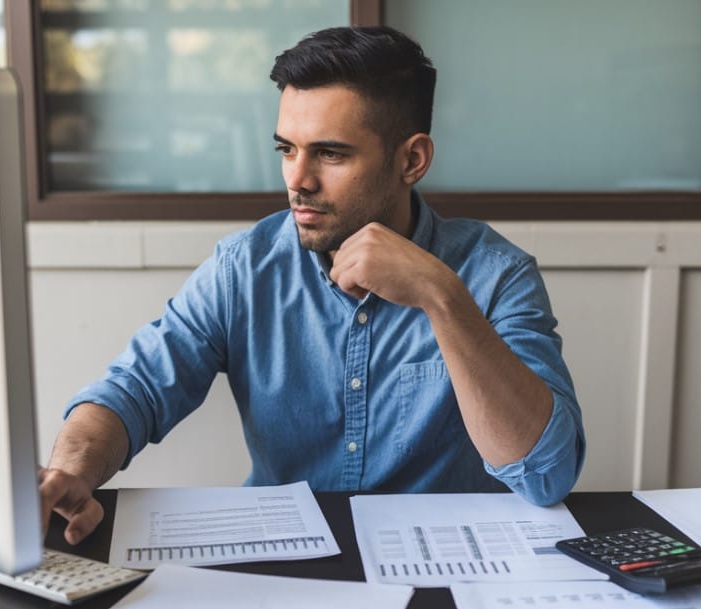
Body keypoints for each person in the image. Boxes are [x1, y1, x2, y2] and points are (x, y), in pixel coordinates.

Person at [39, 26, 585, 545]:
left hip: (445, 571)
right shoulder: (244, 267)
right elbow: (134, 389)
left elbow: (546, 475)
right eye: (287, 150)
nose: (297, 180)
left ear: (411, 160)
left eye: (330, 153)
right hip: (285, 566)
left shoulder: (494, 275)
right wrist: (69, 473)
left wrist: (441, 298)